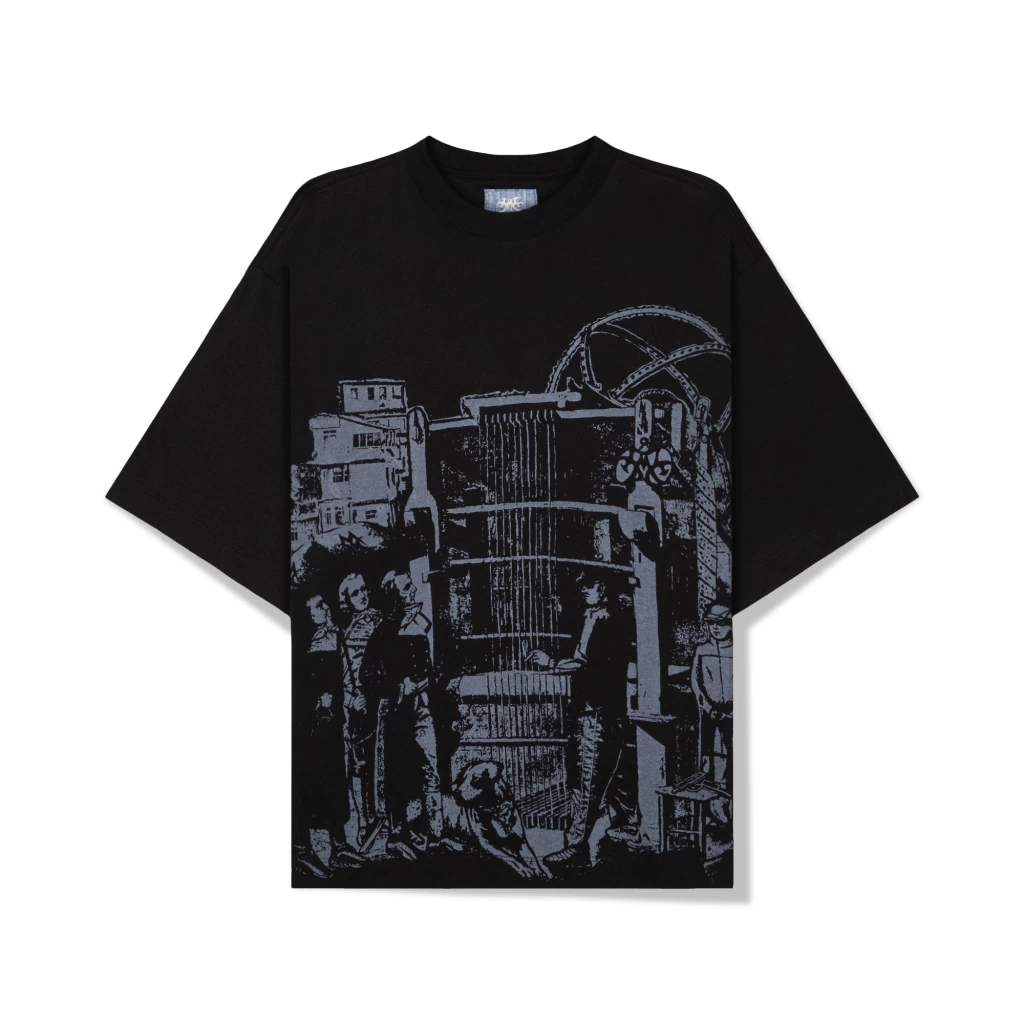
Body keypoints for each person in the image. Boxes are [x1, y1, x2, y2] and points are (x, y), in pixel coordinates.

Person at [527, 571, 635, 868]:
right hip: (588, 707)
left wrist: (550, 663)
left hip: (597, 711)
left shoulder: (609, 621)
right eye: (583, 587)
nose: (584, 591)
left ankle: (576, 846)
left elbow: (587, 663)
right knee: (598, 775)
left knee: (589, 779)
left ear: (604, 590)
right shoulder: (590, 618)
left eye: (590, 587)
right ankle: (621, 829)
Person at [361, 570, 447, 860]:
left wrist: (429, 680)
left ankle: (436, 835)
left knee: (431, 770)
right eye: (406, 588)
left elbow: (432, 667)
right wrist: (399, 686)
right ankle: (397, 836)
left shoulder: (421, 624)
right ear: (394, 597)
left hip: (423, 709)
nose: (412, 591)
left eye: (411, 586)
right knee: (398, 774)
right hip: (398, 714)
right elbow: (368, 676)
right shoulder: (384, 632)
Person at [293, 595, 365, 878]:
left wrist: (352, 700)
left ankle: (340, 848)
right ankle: (302, 849)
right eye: (318, 607)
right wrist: (315, 703)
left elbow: (344, 678)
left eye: (324, 605)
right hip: (306, 728)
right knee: (305, 784)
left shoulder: (335, 636)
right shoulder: (300, 642)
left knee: (336, 783)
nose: (325, 610)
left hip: (333, 725)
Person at [337, 573, 382, 847]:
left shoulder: (379, 620)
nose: (363, 595)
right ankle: (365, 822)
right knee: (359, 764)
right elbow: (342, 672)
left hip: (381, 699)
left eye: (364, 589)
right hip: (358, 705)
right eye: (355, 593)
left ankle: (384, 817)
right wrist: (351, 698)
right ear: (346, 600)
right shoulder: (343, 629)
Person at [691, 603, 733, 792]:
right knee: (706, 750)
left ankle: (728, 791)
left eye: (721, 623)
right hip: (709, 711)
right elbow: (696, 682)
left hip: (733, 713)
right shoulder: (701, 650)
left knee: (733, 750)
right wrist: (708, 707)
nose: (715, 628)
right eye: (711, 622)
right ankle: (708, 787)